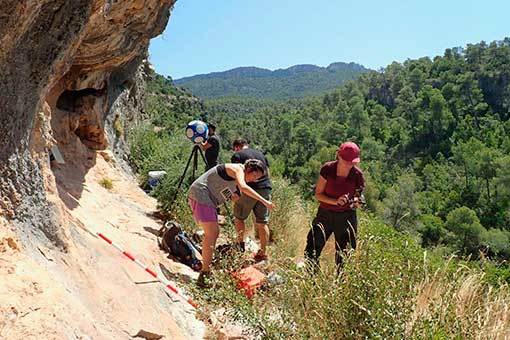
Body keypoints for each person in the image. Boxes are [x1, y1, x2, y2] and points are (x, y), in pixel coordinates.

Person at [187, 159, 275, 287]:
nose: (254, 180)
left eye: (257, 179)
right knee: (212, 233)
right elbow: (244, 187)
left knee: (213, 233)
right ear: (249, 169)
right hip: (201, 195)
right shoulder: (238, 169)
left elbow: (230, 190)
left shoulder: (237, 176)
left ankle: (206, 271)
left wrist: (233, 196)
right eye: (254, 176)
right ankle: (205, 273)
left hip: (206, 198)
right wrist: (265, 202)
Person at [304, 141, 365, 271]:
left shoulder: (357, 175)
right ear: (339, 157)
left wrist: (356, 202)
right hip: (325, 214)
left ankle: (340, 286)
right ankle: (312, 280)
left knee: (345, 256)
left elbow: (359, 196)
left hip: (346, 217)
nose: (350, 164)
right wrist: (336, 201)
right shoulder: (328, 169)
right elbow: (318, 195)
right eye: (347, 161)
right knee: (312, 249)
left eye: (353, 162)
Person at [231, 138, 272, 261]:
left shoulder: (237, 155)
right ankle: (263, 252)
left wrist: (236, 193)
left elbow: (236, 176)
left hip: (249, 190)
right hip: (265, 188)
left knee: (239, 219)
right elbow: (268, 173)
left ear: (237, 147)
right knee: (262, 222)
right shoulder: (260, 154)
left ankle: (240, 247)